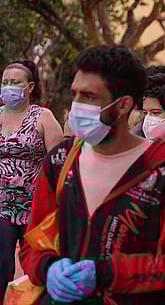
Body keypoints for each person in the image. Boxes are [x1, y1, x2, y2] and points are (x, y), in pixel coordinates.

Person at [20, 45, 165, 304]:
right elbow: (31, 244)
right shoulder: (61, 160)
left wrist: (106, 273)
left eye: (89, 96)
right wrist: (47, 268)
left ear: (123, 105)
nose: (77, 106)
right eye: (75, 95)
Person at [0, 60, 63, 302]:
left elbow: (59, 161)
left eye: (14, 83)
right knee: (1, 267)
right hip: (2, 207)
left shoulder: (43, 116)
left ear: (29, 87)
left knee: (36, 269)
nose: (8, 87)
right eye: (5, 82)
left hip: (36, 207)